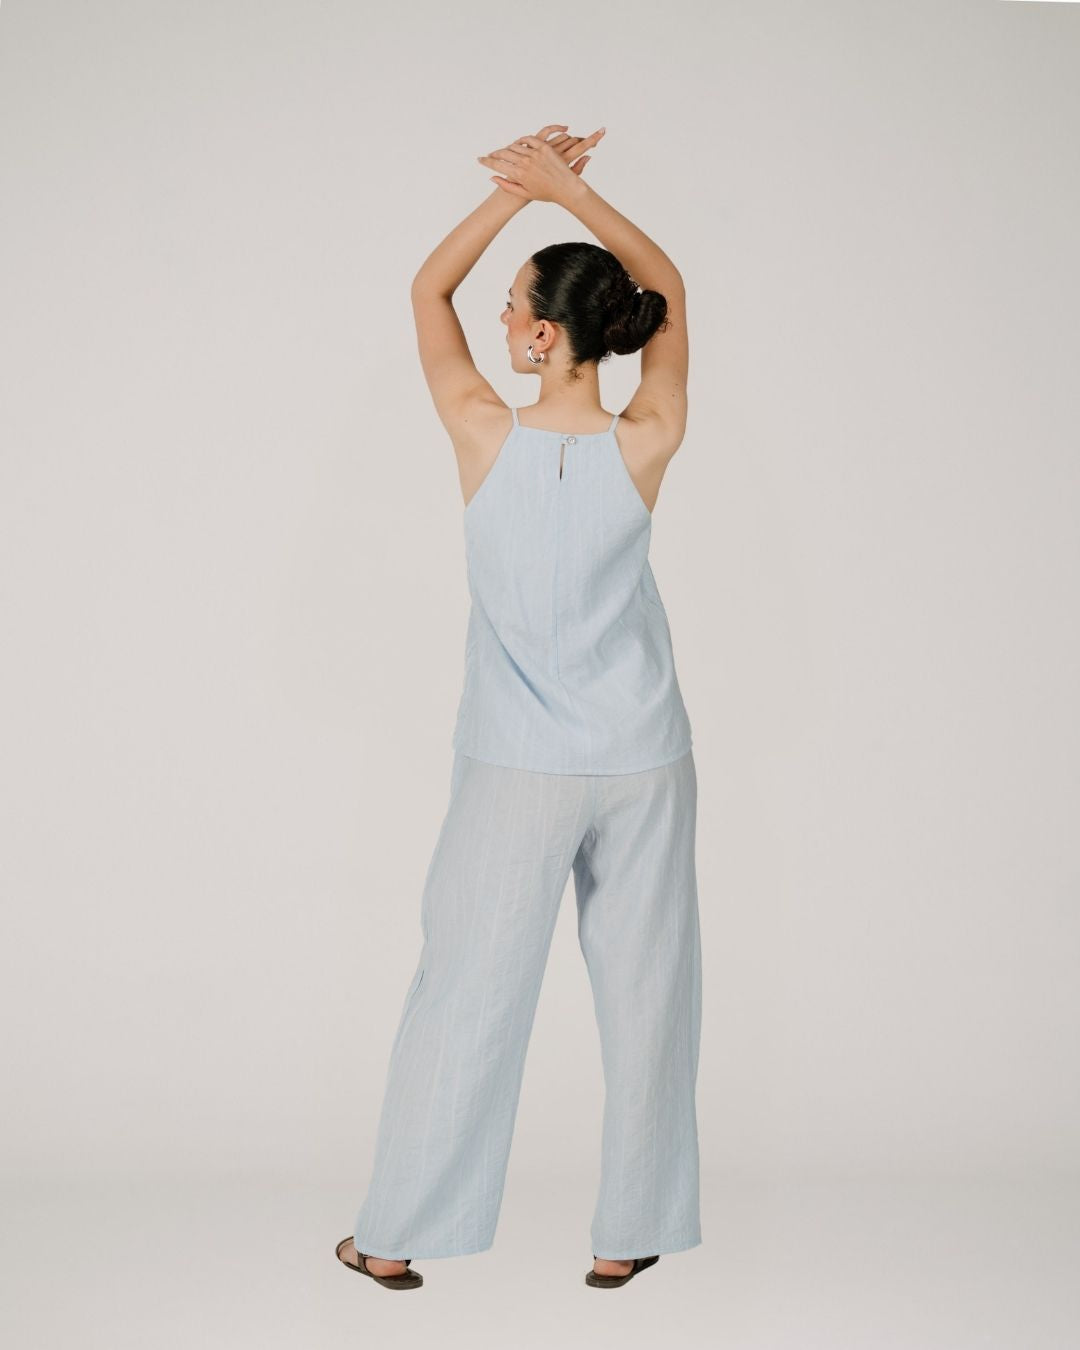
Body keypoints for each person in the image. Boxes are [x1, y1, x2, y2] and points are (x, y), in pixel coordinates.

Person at [336, 124, 701, 1292]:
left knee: (465, 992)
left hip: (515, 763)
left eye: (511, 310)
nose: (498, 322)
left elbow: (425, 288)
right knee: (650, 995)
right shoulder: (649, 437)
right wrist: (568, 197)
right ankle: (627, 1236)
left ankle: (392, 1237)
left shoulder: (481, 431)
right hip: (641, 755)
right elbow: (669, 283)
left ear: (543, 336)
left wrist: (518, 191)